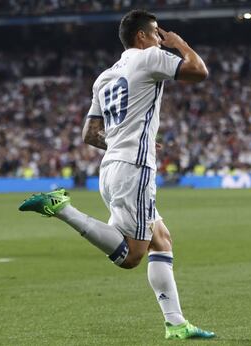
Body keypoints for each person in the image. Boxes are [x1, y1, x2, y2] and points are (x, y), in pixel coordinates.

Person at [19, 9, 215, 340]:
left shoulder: (105, 76)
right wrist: (179, 43)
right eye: (156, 32)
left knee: (161, 239)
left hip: (112, 166)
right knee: (131, 256)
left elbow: (90, 133)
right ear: (142, 36)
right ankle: (62, 208)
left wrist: (130, 140)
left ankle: (176, 322)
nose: (160, 37)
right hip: (134, 169)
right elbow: (199, 71)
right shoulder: (150, 57)